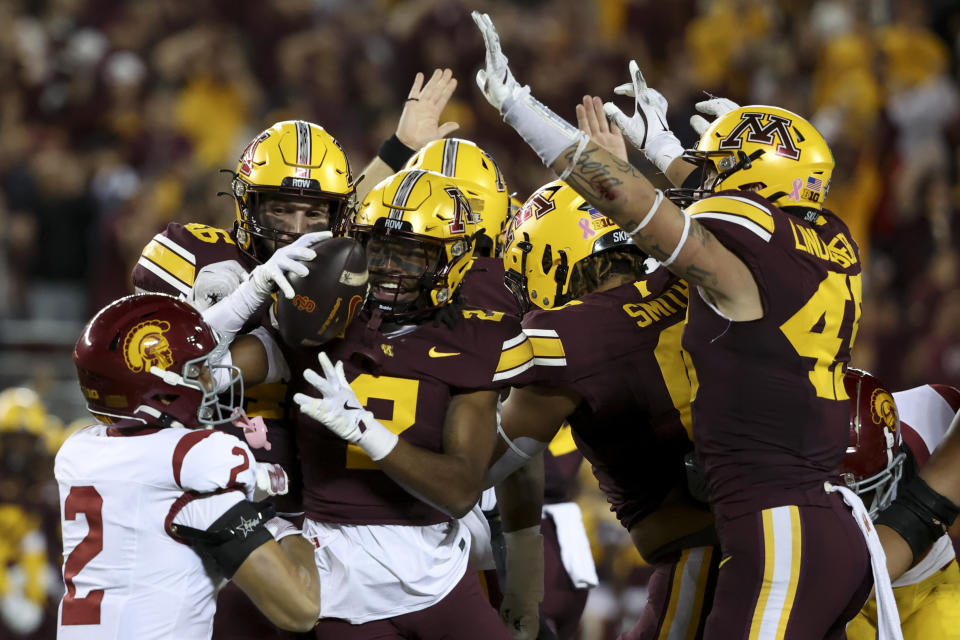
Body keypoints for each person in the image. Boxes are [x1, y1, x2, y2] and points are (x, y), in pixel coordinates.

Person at [471, 11, 892, 639]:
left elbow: (643, 210)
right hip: (808, 521)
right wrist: (662, 148)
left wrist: (527, 115)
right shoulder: (824, 240)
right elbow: (708, 210)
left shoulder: (619, 316)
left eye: (719, 170)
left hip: (772, 530)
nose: (705, 183)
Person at [132, 69, 460, 640]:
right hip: (197, 489)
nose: (294, 230)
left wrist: (400, 151)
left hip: (304, 509)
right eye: (278, 211)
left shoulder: (345, 269)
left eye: (312, 217)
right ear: (246, 205)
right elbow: (145, 375)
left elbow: (334, 216)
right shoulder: (199, 259)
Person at [282, 168, 539, 639]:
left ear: (453, 261)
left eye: (412, 254)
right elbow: (211, 364)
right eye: (379, 248)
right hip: (338, 564)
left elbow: (461, 490)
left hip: (435, 566)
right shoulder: (318, 314)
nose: (388, 268)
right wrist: (243, 298)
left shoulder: (473, 338)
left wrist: (366, 431)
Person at [486, 178, 712, 640]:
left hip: (710, 549)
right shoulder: (689, 277)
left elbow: (477, 470)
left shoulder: (570, 335)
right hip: (794, 513)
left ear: (553, 254)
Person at [56, 291, 321, 640]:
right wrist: (287, 526)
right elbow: (300, 610)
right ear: (161, 392)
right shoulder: (197, 473)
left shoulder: (79, 450)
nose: (212, 382)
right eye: (198, 371)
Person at [842, 371, 960, 639]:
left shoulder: (938, 416)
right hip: (837, 596)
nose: (851, 507)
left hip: (924, 582)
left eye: (862, 494)